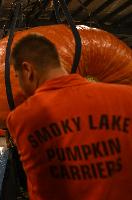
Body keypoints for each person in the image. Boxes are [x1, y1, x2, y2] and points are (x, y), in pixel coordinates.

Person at [7, 34, 132, 200]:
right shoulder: (127, 97)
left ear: (27, 70)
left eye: (17, 77)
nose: (20, 86)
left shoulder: (21, 118)